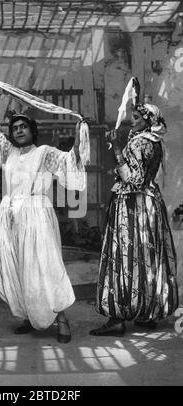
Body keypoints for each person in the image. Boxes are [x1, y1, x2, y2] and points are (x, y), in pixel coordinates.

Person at [0, 87, 88, 343]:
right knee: (18, 268)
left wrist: (78, 132)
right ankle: (29, 316)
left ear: (32, 131)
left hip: (38, 216)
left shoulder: (45, 153)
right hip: (10, 216)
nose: (18, 130)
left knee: (46, 267)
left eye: (23, 127)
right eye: (15, 127)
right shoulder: (7, 152)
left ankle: (61, 320)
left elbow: (71, 160)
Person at [90, 102, 179, 336]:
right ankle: (147, 313)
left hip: (132, 206)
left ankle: (117, 317)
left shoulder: (140, 142)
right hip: (149, 204)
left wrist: (117, 149)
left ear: (149, 120)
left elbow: (134, 179)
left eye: (138, 117)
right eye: (133, 116)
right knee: (147, 257)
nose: (133, 120)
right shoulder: (153, 141)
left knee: (124, 257)